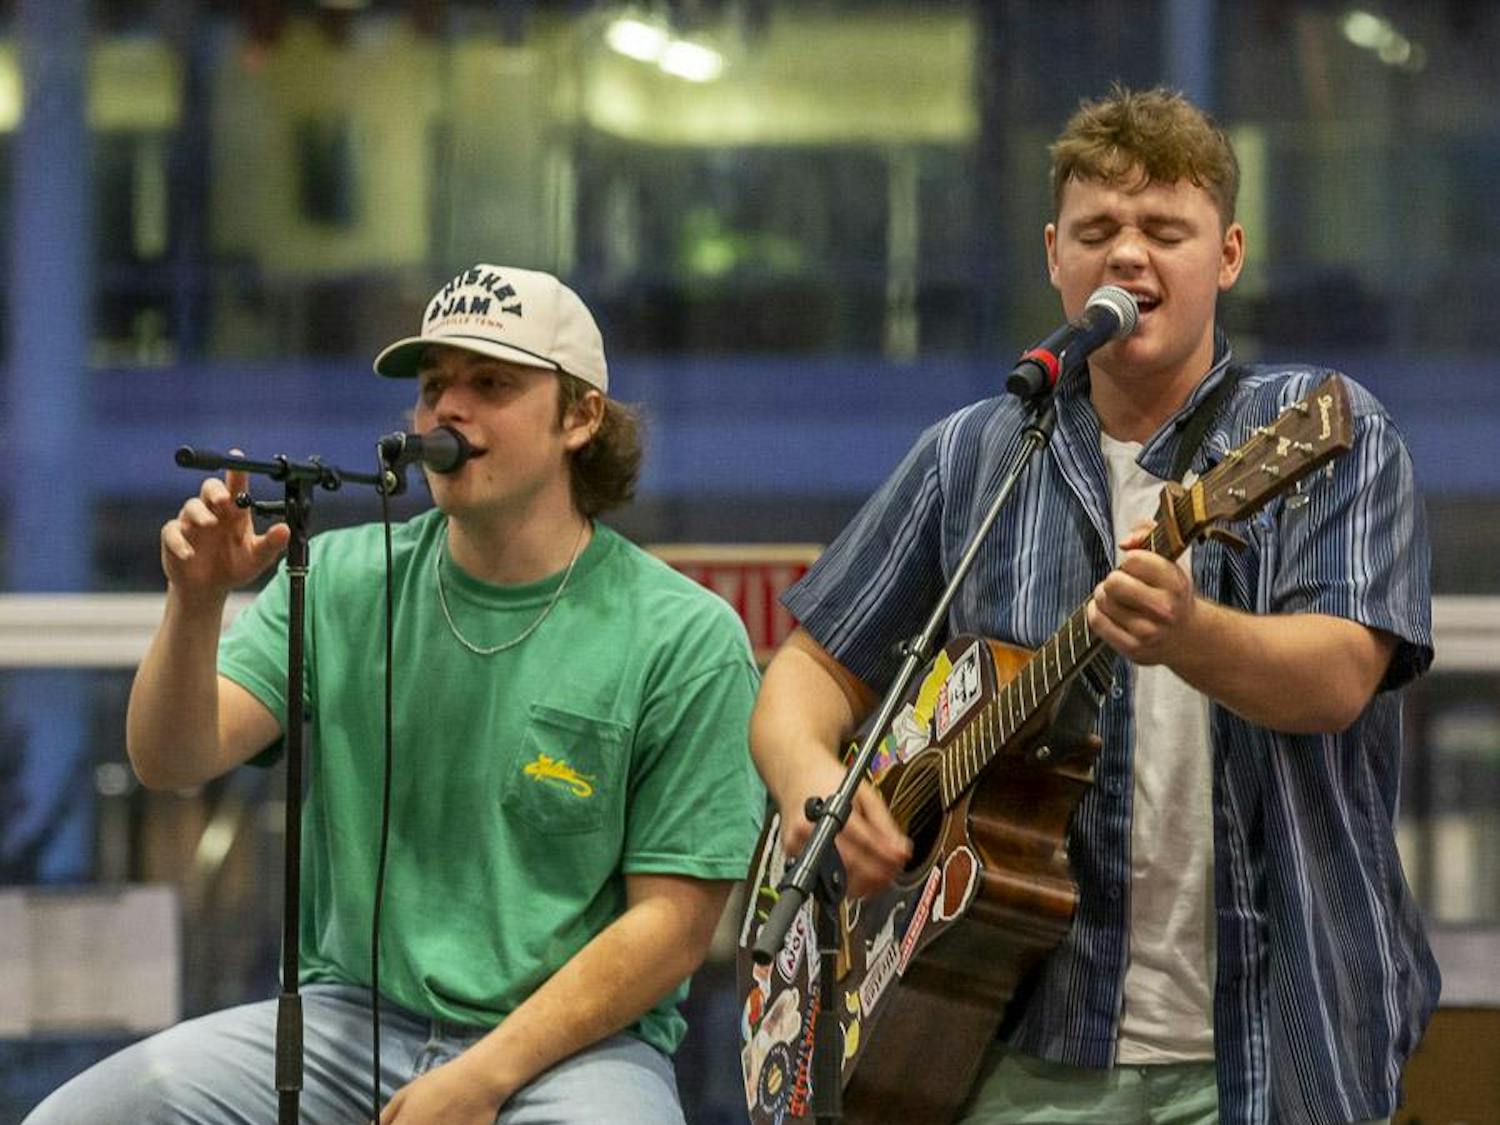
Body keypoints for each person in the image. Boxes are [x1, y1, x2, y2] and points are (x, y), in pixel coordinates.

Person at [749, 87, 1436, 1125]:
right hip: (1008, 1043)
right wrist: (819, 790)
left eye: (1167, 230)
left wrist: (1191, 634)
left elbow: (1341, 678)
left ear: (1230, 255)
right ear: (1053, 257)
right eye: (1099, 231)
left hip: (1276, 1043)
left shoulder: (1317, 432)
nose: (1130, 257)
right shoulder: (976, 452)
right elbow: (802, 676)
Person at [27, 264, 765, 1124]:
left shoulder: (685, 635)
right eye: (432, 387)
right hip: (348, 1022)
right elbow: (171, 757)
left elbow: (672, 930)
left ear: (582, 416)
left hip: (576, 1047)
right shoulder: (342, 576)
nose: (447, 411)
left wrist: (484, 1075)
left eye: (490, 384)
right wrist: (194, 604)